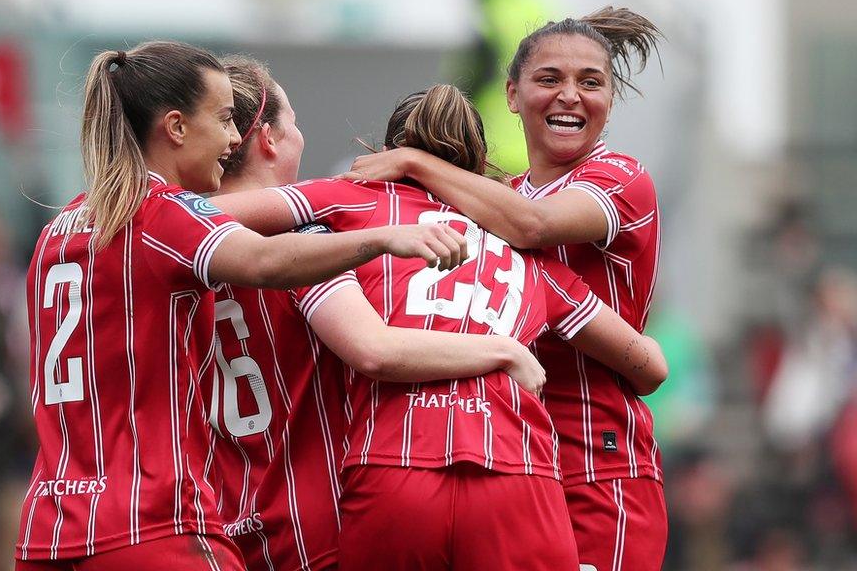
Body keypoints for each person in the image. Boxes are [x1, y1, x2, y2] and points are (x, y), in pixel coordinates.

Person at [13, 41, 469, 571]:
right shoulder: (163, 215)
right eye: (225, 119)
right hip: (156, 523)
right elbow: (279, 272)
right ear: (177, 127)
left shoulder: (58, 232)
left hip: (50, 529)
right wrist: (385, 238)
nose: (233, 139)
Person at [211, 83, 667, 570]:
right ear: (477, 169)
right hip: (517, 473)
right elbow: (650, 367)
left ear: (386, 155)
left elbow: (200, 217)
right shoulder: (530, 259)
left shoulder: (347, 203)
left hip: (392, 467)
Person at [341, 7, 667, 571]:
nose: (570, 96)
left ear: (610, 102)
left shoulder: (620, 176)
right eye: (550, 80)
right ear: (512, 95)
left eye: (591, 83)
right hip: (507, 462)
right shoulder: (497, 197)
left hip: (597, 464)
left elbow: (532, 227)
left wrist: (416, 160)